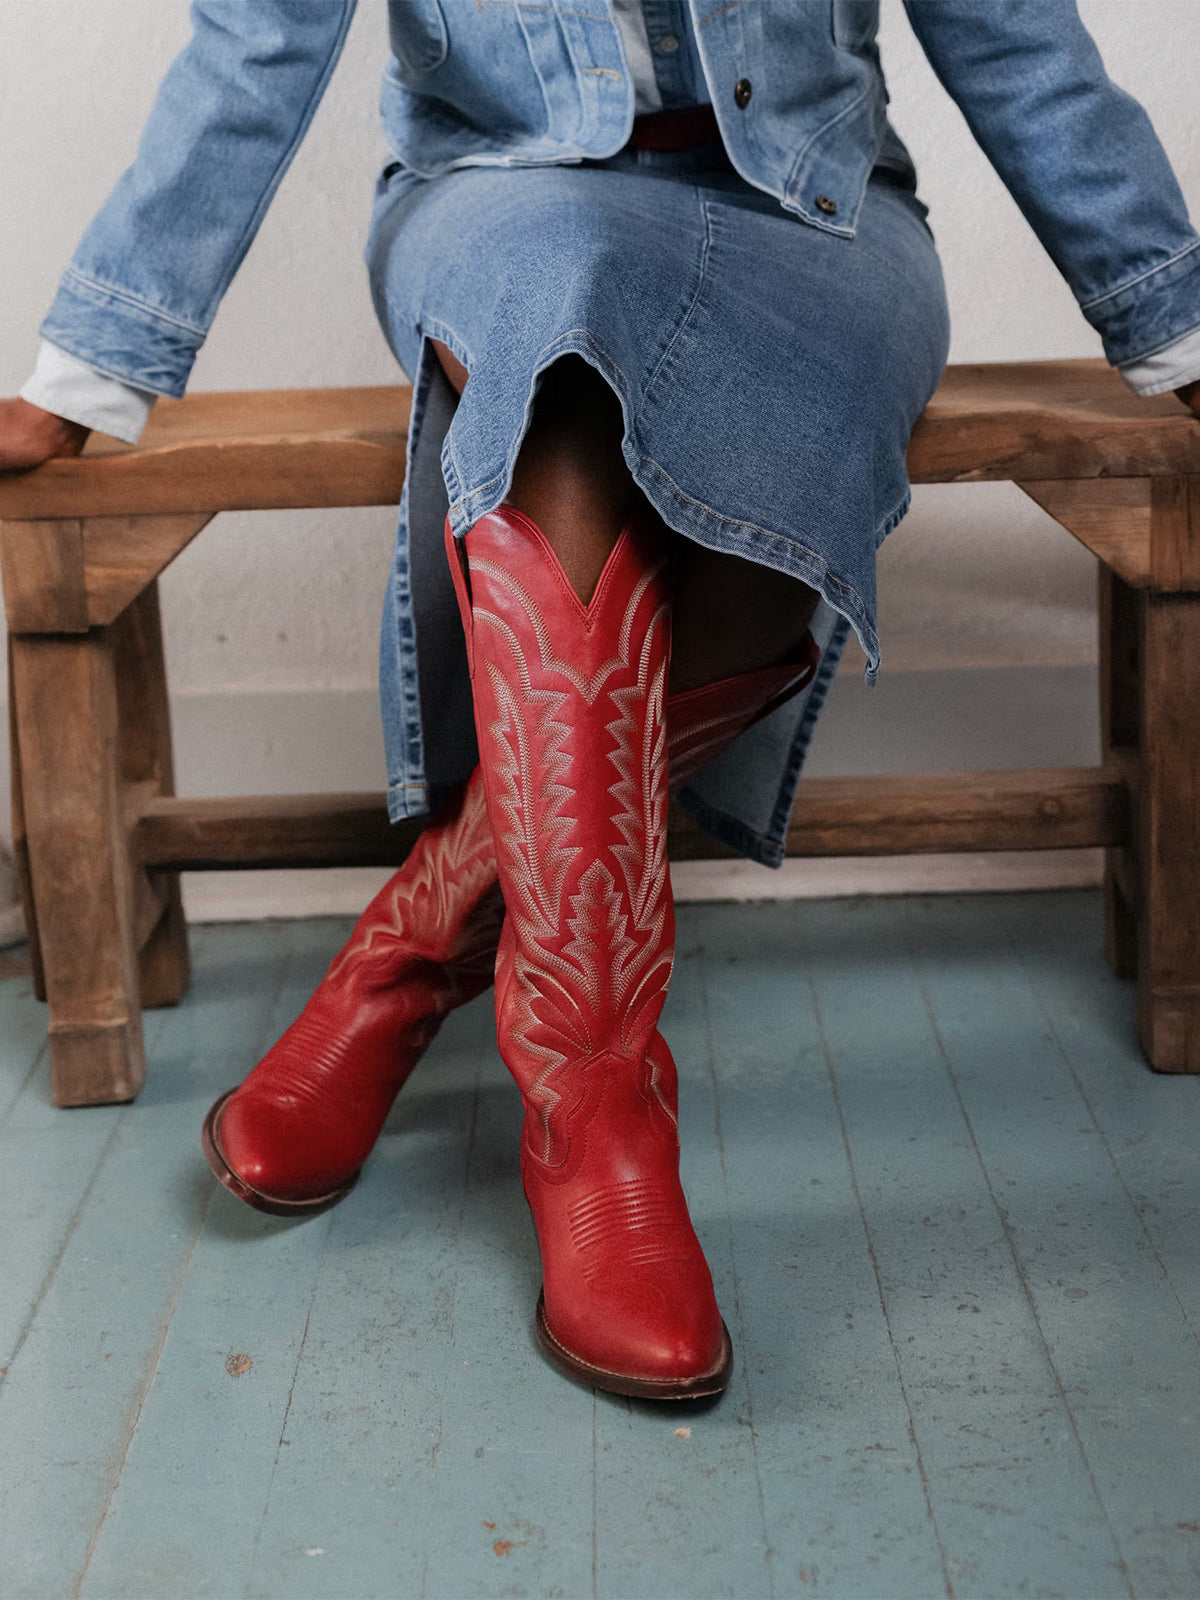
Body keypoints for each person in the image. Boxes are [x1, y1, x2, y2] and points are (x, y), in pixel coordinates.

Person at [3, 1, 1199, 1400]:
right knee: (558, 324)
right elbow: (256, 43)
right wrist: (98, 357)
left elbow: (1011, 35)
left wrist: (1171, 321)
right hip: (499, 203)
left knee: (749, 553)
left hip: (819, 220)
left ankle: (406, 951)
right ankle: (598, 1112)